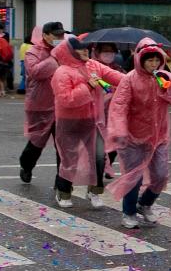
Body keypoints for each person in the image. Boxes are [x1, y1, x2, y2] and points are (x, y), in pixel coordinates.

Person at [106, 39, 171, 229]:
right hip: (133, 138)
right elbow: (119, 106)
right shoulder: (130, 79)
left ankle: (145, 204)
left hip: (159, 137)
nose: (153, 64)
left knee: (161, 175)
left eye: (156, 60)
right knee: (134, 177)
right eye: (149, 60)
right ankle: (129, 212)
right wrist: (119, 130)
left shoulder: (164, 76)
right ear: (140, 59)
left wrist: (169, 88)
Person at [49, 35, 126, 208]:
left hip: (93, 121)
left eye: (86, 47)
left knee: (99, 158)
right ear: (69, 51)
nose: (85, 50)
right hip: (69, 122)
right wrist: (88, 87)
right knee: (69, 159)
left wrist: (137, 76)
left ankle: (94, 191)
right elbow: (66, 100)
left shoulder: (93, 65)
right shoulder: (62, 72)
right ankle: (63, 192)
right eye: (80, 48)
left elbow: (116, 77)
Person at [18, 22, 65, 184]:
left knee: (63, 145)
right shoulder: (33, 51)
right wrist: (54, 57)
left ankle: (62, 181)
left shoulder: (67, 51)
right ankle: (26, 165)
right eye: (56, 35)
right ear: (45, 35)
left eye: (61, 35)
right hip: (40, 105)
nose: (60, 38)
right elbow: (35, 72)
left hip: (63, 105)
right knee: (37, 142)